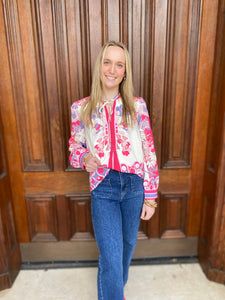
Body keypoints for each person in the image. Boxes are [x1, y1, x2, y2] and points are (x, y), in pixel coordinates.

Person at [69, 41, 159, 300]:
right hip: (103, 187)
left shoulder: (137, 105)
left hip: (134, 187)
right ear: (99, 67)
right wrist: (83, 157)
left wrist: (151, 198)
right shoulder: (81, 108)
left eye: (119, 64)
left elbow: (149, 151)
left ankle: (115, 287)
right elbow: (74, 145)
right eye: (107, 62)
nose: (112, 69)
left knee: (128, 245)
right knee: (110, 254)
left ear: (125, 72)